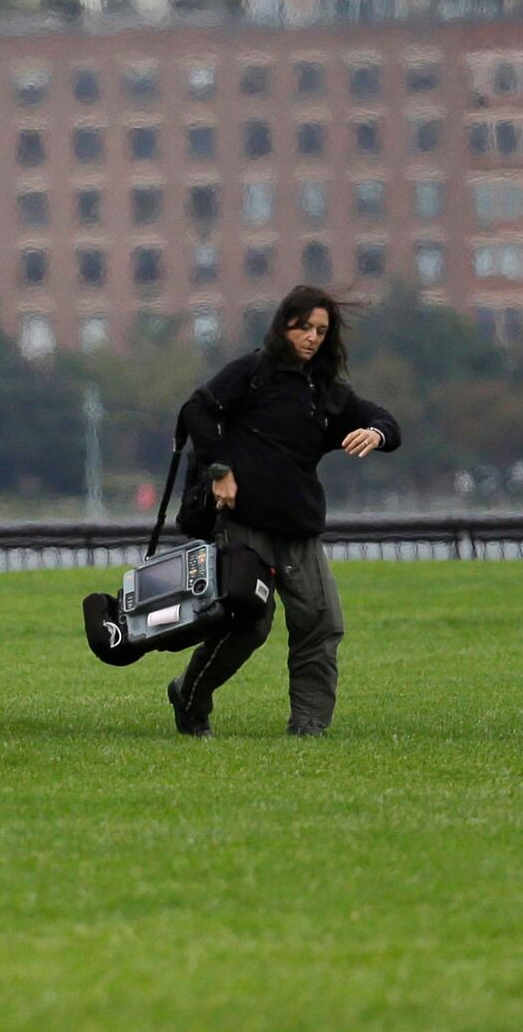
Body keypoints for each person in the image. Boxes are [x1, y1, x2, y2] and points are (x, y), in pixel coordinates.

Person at [163, 284, 401, 738]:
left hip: (299, 529)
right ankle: (189, 697)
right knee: (249, 624)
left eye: (321, 331)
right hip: (243, 525)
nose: (312, 337)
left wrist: (375, 433)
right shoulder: (253, 372)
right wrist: (220, 470)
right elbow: (198, 408)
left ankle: (309, 728)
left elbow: (386, 421)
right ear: (283, 325)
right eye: (304, 327)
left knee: (320, 623)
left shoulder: (327, 391)